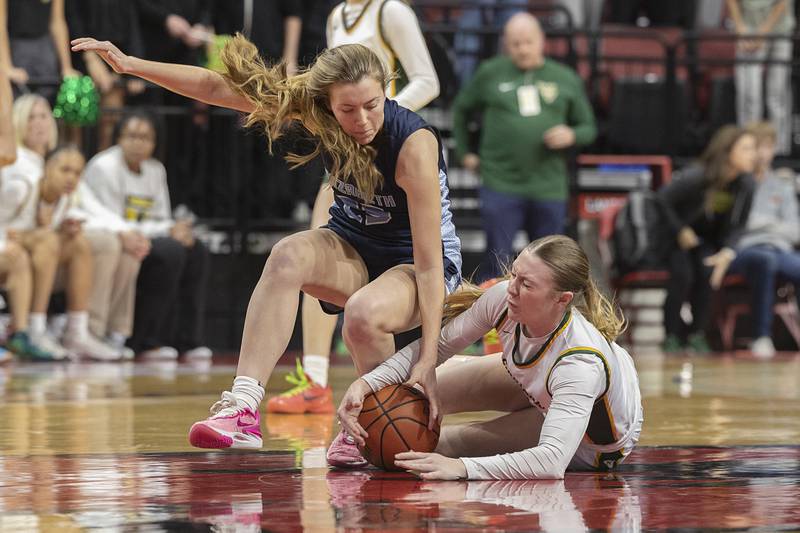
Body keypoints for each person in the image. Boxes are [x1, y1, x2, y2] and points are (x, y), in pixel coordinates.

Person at [71, 36, 462, 466]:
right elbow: (216, 88)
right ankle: (243, 407)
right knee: (287, 255)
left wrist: (427, 362)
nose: (363, 120)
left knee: (364, 315)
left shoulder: (412, 145)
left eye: (372, 104)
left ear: (385, 89)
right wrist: (132, 65)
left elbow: (428, 265)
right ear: (326, 104)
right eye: (348, 110)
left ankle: (370, 418)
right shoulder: (316, 113)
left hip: (416, 261)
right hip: (354, 243)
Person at [337, 235, 643, 480]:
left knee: (423, 447)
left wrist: (463, 469)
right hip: (547, 387)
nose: (512, 288)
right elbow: (434, 350)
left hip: (588, 441)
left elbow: (551, 462)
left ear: (561, 300)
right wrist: (365, 385)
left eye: (527, 284)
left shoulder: (580, 365)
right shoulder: (504, 300)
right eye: (514, 274)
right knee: (414, 394)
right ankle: (356, 435)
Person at [268, 0, 443, 416]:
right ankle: (315, 379)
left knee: (379, 290)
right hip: (346, 155)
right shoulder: (335, 16)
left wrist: (380, 123)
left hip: (385, 155)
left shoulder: (391, 12)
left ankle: (382, 400)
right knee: (309, 256)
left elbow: (427, 80)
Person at [452, 13, 596, 280]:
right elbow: (460, 111)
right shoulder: (490, 72)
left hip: (548, 185)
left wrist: (571, 134)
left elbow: (588, 127)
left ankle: (544, 320)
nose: (522, 49)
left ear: (541, 41)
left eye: (528, 42)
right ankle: (494, 319)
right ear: (506, 44)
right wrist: (465, 153)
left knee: (549, 262)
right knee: (498, 258)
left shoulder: (564, 78)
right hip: (500, 181)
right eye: (515, 43)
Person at [82, 111, 211, 360]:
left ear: (154, 142)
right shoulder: (104, 166)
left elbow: (160, 216)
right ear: (118, 138)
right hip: (114, 237)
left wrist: (177, 229)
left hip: (146, 235)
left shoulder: (155, 169)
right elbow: (111, 219)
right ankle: (146, 340)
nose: (138, 143)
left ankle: (188, 340)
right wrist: (166, 231)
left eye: (145, 138)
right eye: (132, 136)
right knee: (169, 252)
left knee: (197, 250)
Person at [657, 125, 757, 353]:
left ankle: (697, 334)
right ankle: (671, 335)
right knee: (682, 275)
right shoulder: (698, 175)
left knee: (707, 272)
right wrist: (680, 229)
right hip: (676, 239)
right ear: (727, 150)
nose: (753, 154)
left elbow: (739, 226)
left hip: (707, 242)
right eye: (747, 148)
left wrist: (728, 252)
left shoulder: (746, 185)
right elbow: (661, 199)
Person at [727, 121, 800, 358]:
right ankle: (762, 337)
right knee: (764, 260)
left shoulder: (782, 186)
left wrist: (764, 225)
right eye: (756, 146)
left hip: (779, 250)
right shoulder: (736, 183)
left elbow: (795, 231)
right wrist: (773, 226)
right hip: (744, 251)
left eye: (767, 146)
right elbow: (737, 226)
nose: (761, 153)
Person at [727, 0, 795, 155]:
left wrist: (762, 33)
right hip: (747, 29)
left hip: (780, 29)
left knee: (777, 96)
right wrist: (739, 28)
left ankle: (779, 152)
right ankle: (747, 149)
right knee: (749, 94)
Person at [0, 0, 79, 96]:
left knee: (48, 96)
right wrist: (6, 66)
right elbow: (1, 24)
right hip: (15, 48)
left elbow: (57, 21)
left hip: (45, 50)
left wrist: (66, 67)